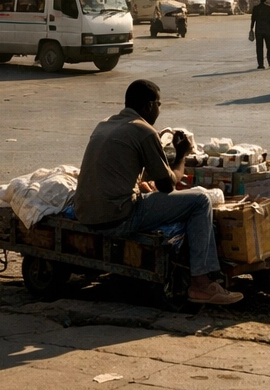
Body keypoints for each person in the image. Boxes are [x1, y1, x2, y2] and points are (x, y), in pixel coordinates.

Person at [73, 80, 242, 305]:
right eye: (159, 105)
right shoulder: (143, 130)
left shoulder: (104, 124)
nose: (159, 110)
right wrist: (181, 155)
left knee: (175, 199)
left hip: (85, 212)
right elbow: (166, 185)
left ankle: (202, 279)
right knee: (200, 201)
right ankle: (201, 284)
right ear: (148, 105)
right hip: (118, 216)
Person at [248, 0, 270, 70]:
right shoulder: (268, 8)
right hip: (267, 30)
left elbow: (253, 19)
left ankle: (261, 64)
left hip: (259, 30)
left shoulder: (256, 8)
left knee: (259, 47)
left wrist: (251, 28)